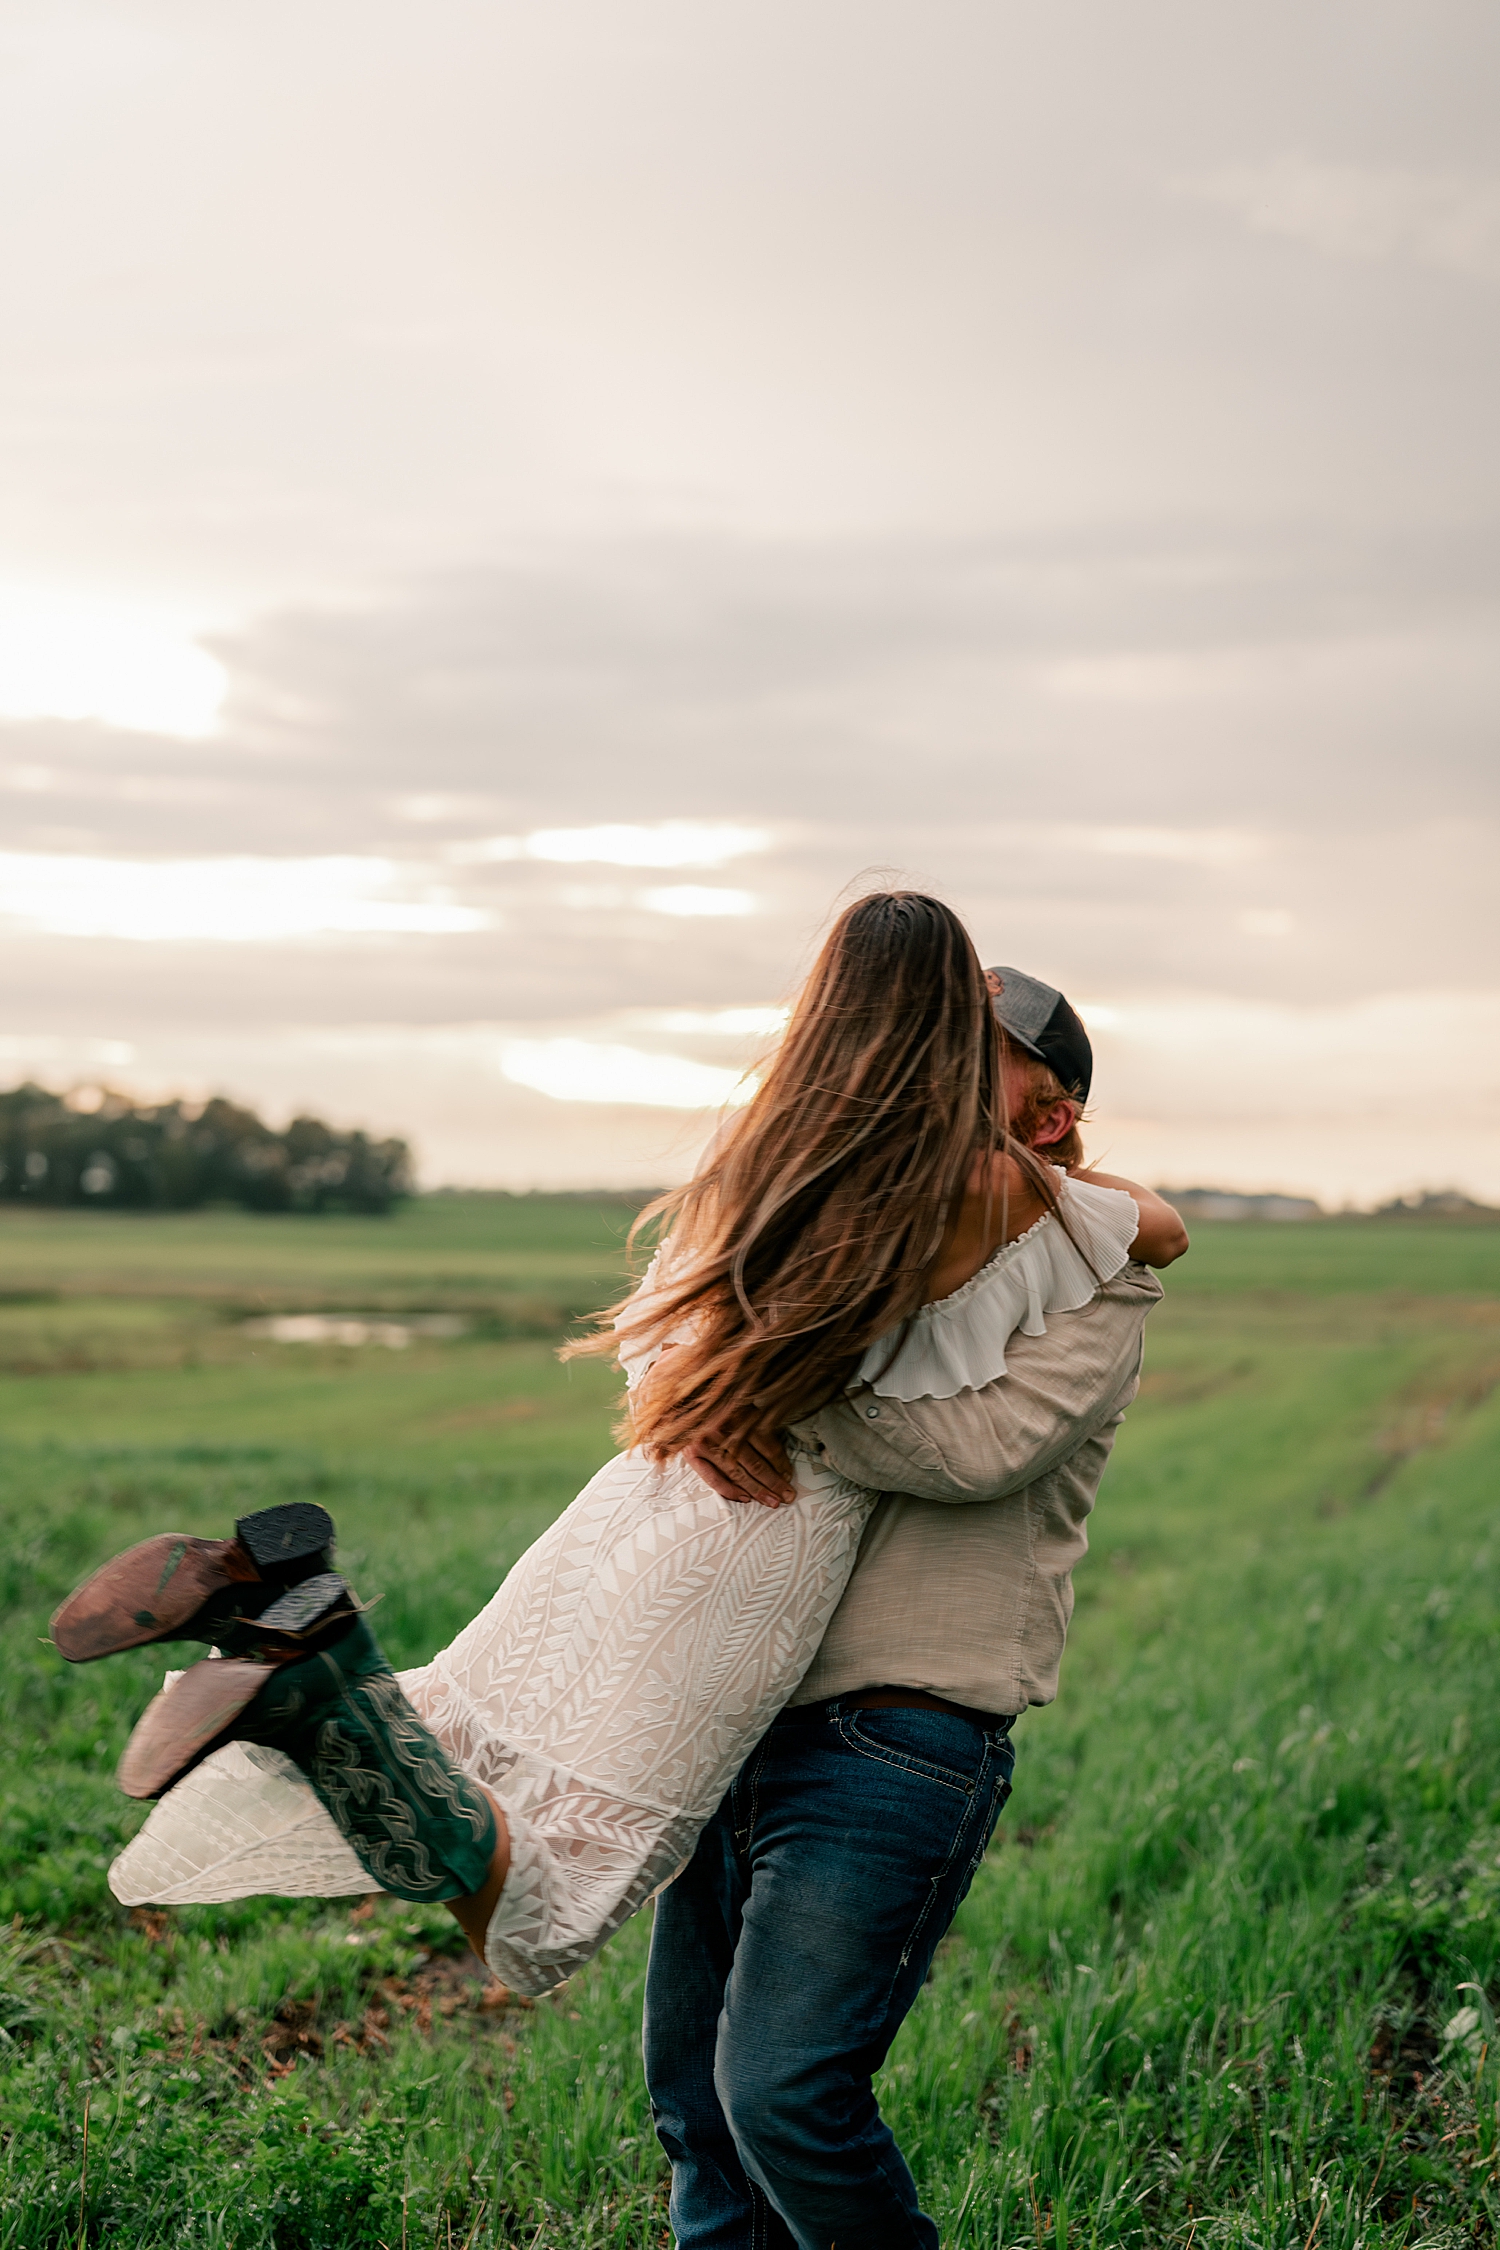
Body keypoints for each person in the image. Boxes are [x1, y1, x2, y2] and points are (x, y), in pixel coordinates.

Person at [50, 894, 1184, 2029]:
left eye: (985, 1052)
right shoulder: (1002, 1199)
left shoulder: (774, 1163)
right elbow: (1156, 1227)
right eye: (953, 1036)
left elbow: (678, 1353)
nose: (959, 1065)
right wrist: (773, 1399)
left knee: (494, 1758)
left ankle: (291, 1631)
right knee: (553, 1903)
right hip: (759, 1546)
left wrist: (735, 1394)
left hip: (637, 1513)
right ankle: (322, 1683)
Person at [640, 958, 1182, 2250]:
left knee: (783, 2097)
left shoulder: (1095, 1267)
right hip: (735, 1706)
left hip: (897, 1733)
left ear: (1050, 1112)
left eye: (966, 1047)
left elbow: (974, 1449)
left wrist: (766, 1387)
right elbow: (669, 1359)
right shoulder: (839, 1256)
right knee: (698, 2111)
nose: (916, 1059)